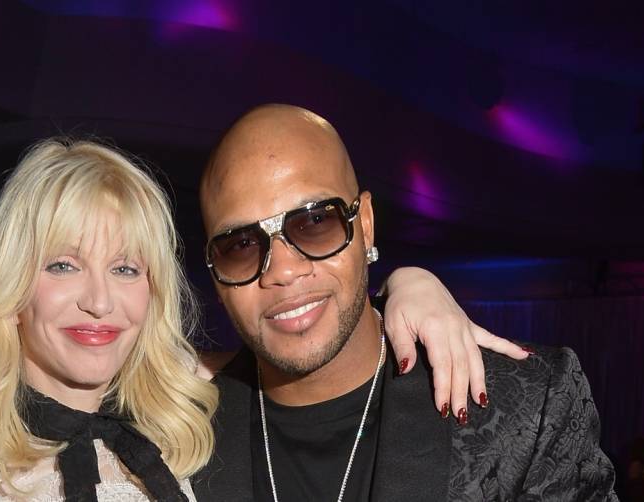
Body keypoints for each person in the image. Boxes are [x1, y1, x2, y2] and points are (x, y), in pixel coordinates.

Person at [0, 138, 520, 500]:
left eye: (126, 269)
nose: (99, 301)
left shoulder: (181, 413)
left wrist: (409, 284)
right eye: (62, 265)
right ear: (11, 285)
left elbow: (311, 328)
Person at [192, 104, 618, 501]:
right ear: (215, 275)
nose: (283, 270)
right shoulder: (175, 432)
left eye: (315, 221)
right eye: (240, 245)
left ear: (366, 225)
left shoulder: (532, 407)